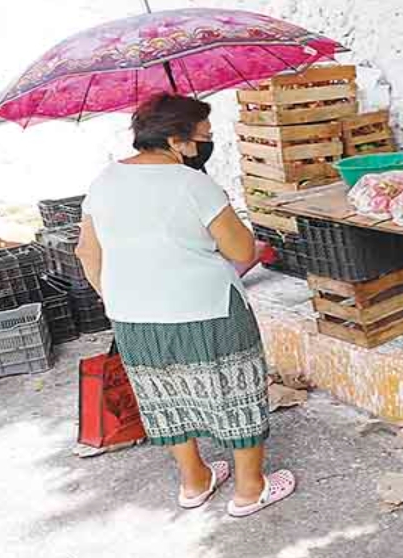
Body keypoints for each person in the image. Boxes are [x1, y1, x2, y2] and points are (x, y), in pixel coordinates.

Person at [75, 93, 295, 517]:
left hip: (133, 316)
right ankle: (250, 489)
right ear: (177, 140)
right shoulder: (195, 184)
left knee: (165, 395)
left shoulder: (104, 182)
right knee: (235, 390)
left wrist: (119, 298)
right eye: (203, 138)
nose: (206, 146)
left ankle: (195, 482)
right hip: (207, 308)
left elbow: (87, 252)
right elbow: (242, 248)